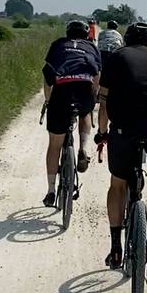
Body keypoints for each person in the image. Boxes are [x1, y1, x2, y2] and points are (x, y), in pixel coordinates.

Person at [96, 23, 147, 269]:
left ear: (127, 39)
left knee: (118, 183)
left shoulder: (117, 57)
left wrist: (101, 133)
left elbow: (104, 100)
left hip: (125, 125)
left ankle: (116, 247)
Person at [41, 20, 101, 207]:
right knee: (85, 113)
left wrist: (48, 100)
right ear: (86, 34)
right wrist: (94, 94)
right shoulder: (91, 46)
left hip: (62, 91)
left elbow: (48, 73)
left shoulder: (58, 44)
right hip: (84, 88)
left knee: (54, 145)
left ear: (67, 33)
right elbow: (97, 74)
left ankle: (51, 191)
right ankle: (83, 147)